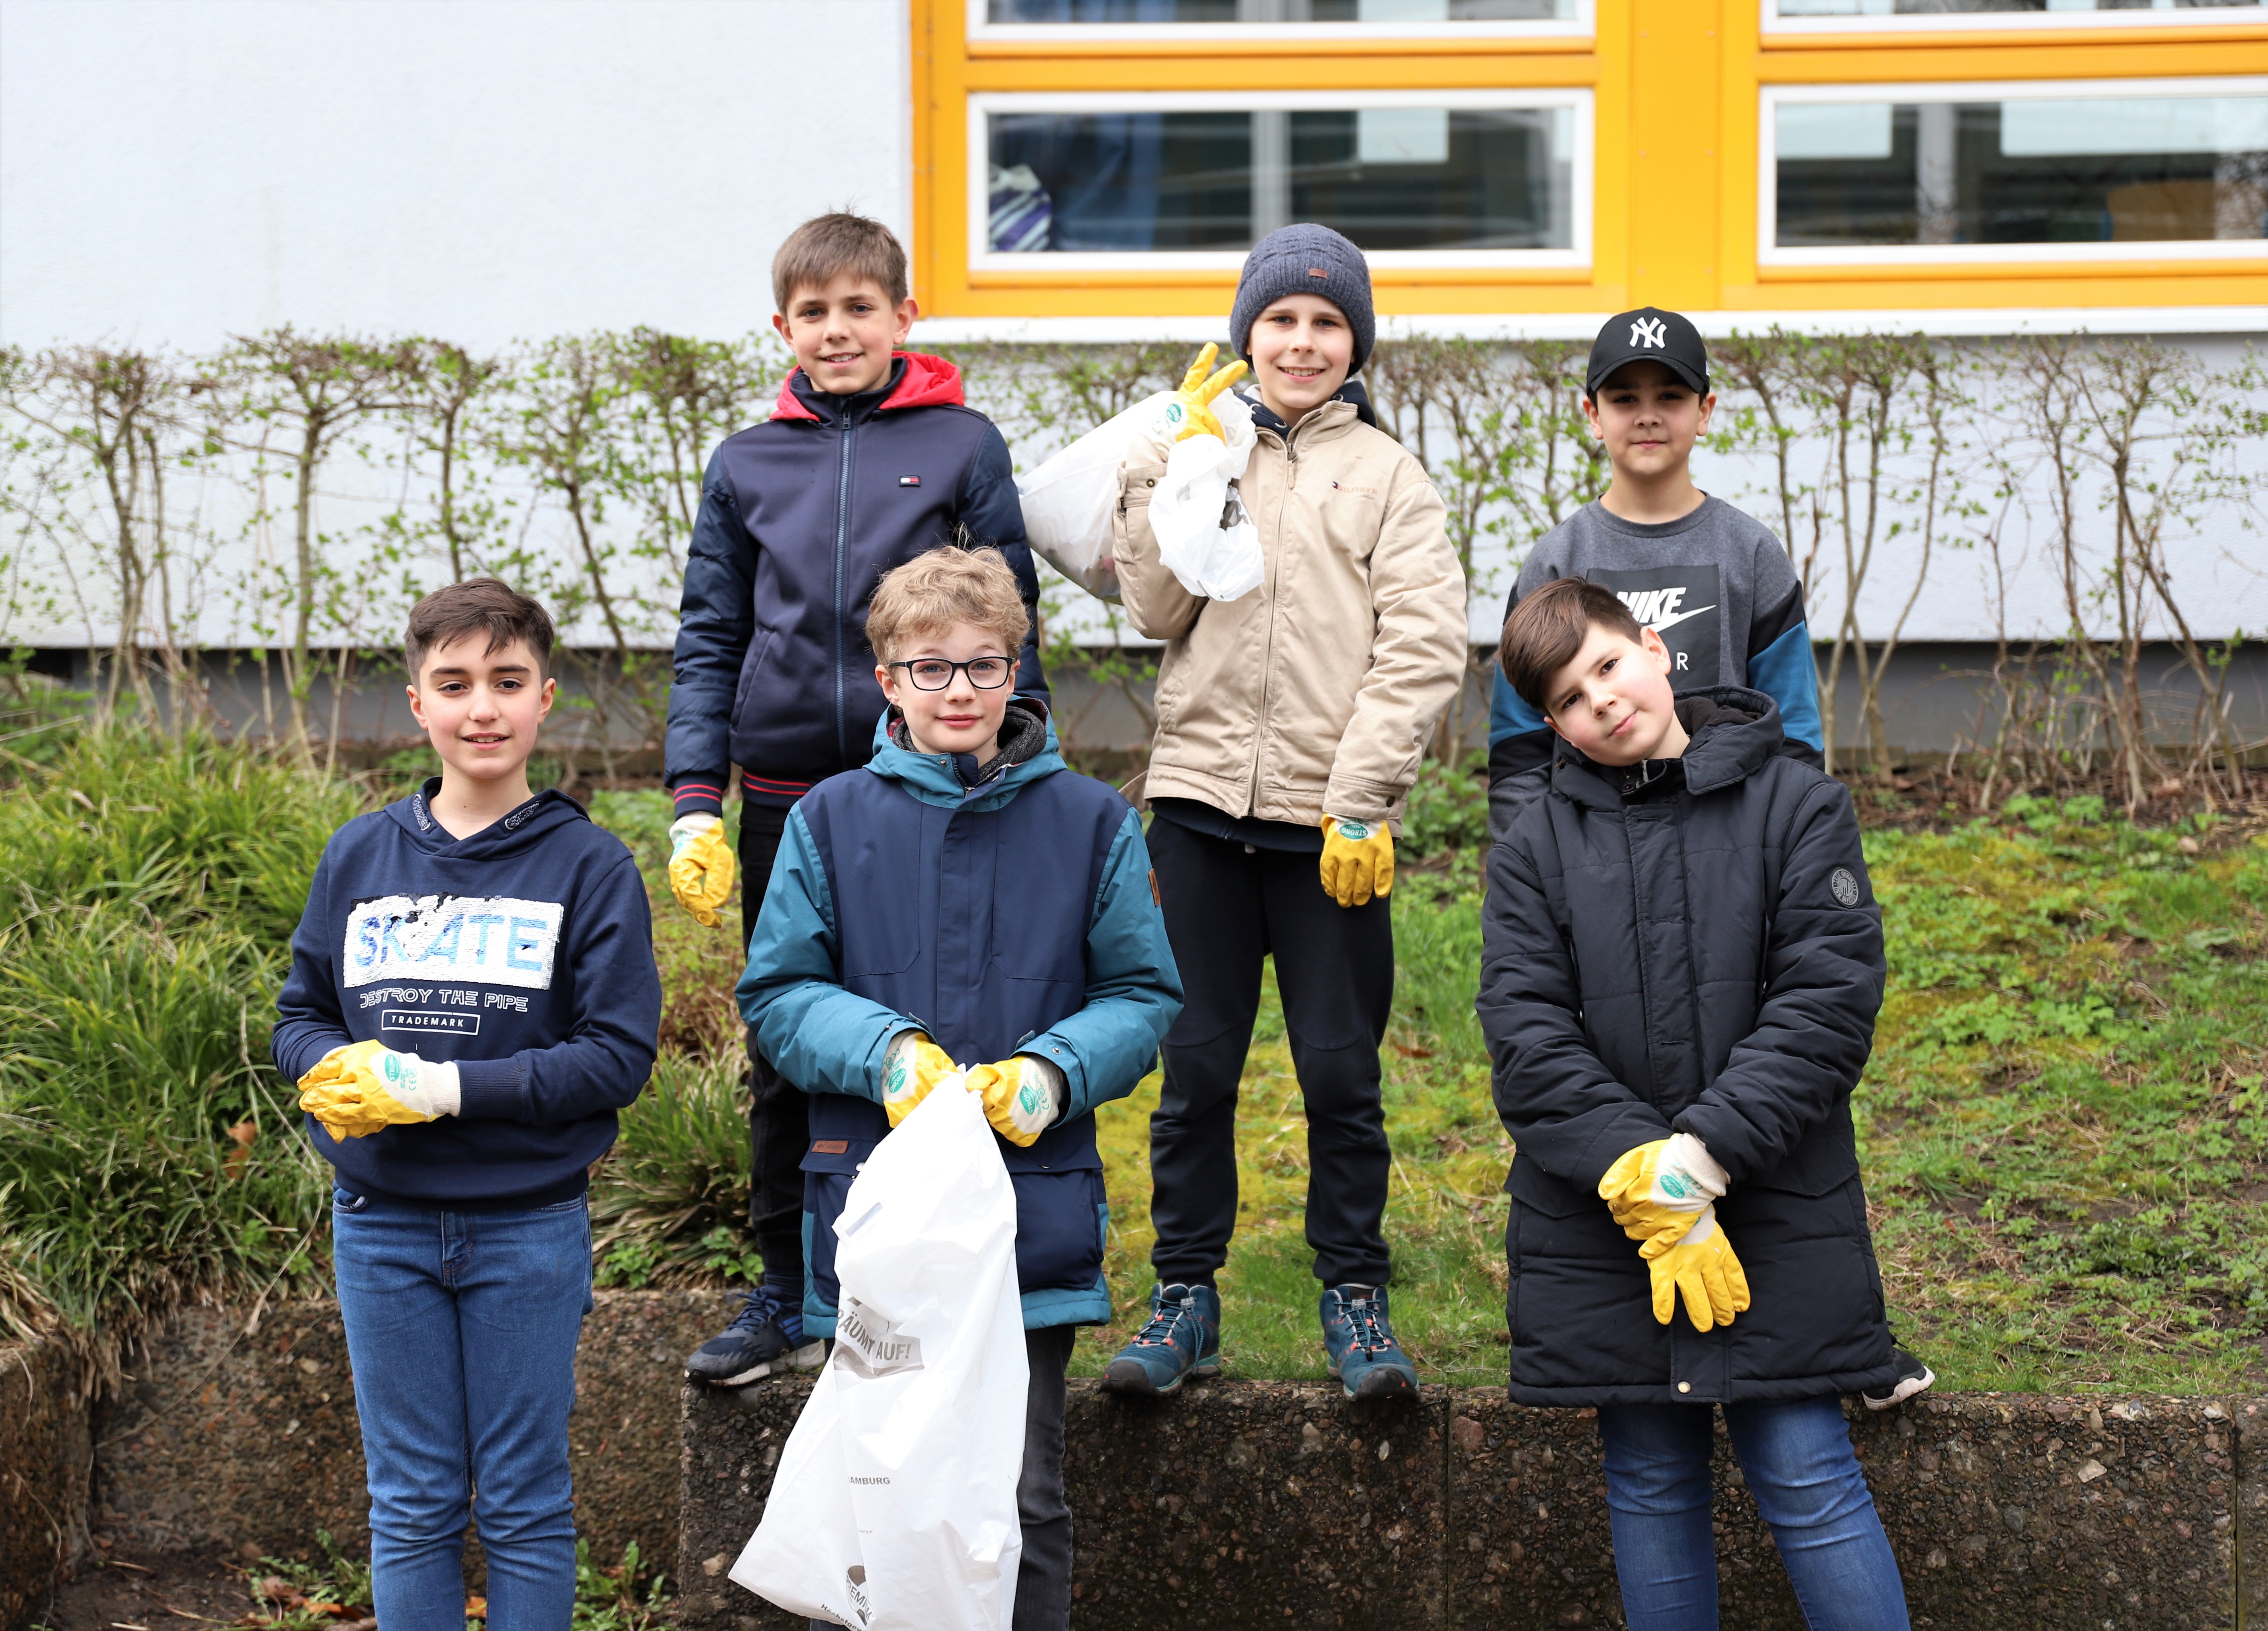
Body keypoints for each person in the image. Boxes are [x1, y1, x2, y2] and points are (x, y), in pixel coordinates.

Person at [738, 546, 1181, 1631]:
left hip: (1027, 1214)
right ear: (886, 680)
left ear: (1017, 675)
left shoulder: (1091, 824)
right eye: (929, 669)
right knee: (882, 1488)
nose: (959, 693)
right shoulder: (830, 821)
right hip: (876, 1216)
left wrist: (1056, 1070)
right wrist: (882, 1050)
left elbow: (1141, 995)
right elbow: (780, 992)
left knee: (1019, 1491)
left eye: (984, 668)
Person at [1478, 575, 1917, 1631]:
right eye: (1573, 699)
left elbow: (1825, 1002)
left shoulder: (1798, 806)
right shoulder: (1533, 849)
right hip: (1607, 1225)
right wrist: (1640, 1173)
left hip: (1774, 1202)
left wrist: (1702, 1160)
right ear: (1556, 728)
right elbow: (1527, 1038)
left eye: (1608, 665)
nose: (1603, 701)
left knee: (1806, 1468)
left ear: (1656, 648)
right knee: (1649, 1479)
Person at [665, 212, 1049, 1388]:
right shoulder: (745, 464)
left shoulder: (962, 445)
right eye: (814, 313)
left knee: (944, 1034)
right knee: (790, 1045)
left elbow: (1014, 635)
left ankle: (954, 1276)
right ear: (783, 329)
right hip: (788, 799)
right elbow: (709, 635)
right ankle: (788, 1285)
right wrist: (695, 800)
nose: (838, 332)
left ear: (904, 317)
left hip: (929, 795)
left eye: (859, 309)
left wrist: (1014, 776)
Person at [1103, 222, 1468, 1400]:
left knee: (1338, 1073)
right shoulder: (1204, 447)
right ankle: (1184, 1298)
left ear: (1354, 343)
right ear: (1244, 335)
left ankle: (1354, 1296)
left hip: (1329, 831)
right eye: (1280, 320)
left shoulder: (1389, 479)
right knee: (1196, 1067)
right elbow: (1156, 608)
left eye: (1326, 323)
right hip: (1200, 810)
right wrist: (1163, 462)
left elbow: (1419, 648)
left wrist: (1360, 801)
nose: (1302, 342)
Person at [273, 579, 662, 1631]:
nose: (480, 708)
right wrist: (333, 1069)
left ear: (546, 699)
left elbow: (616, 1058)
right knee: (410, 1505)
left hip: (528, 1229)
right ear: (416, 705)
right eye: (454, 685)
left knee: (528, 1505)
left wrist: (436, 1088)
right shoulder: (361, 854)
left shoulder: (590, 865)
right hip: (381, 1226)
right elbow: (299, 1012)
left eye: (505, 682)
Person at [1484, 307, 1826, 846]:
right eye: (1623, 399)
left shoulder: (1751, 552)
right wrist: (1524, 861)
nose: (1647, 416)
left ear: (1704, 411)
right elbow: (1519, 743)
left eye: (1669, 396)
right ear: (1593, 415)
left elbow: (1795, 729)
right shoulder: (1556, 560)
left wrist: (1795, 842)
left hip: (1730, 836)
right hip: (1592, 845)